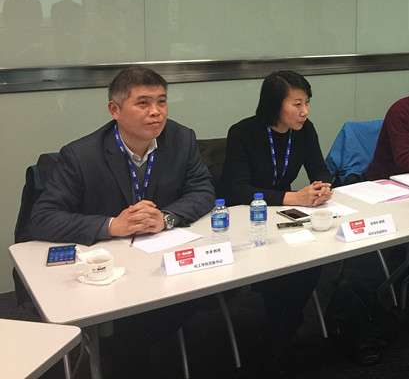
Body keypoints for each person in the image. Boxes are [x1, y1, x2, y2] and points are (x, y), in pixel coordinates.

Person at [28, 66, 215, 377]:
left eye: (162, 101)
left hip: (161, 261)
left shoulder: (181, 139)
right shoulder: (81, 155)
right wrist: (111, 225)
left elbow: (203, 190)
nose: (156, 112)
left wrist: (166, 217)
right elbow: (43, 218)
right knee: (127, 336)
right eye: (143, 103)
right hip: (111, 272)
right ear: (114, 110)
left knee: (195, 297)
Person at [222, 70, 332, 362]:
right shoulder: (243, 132)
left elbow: (320, 170)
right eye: (297, 104)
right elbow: (237, 191)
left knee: (312, 259)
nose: (305, 111)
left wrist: (323, 187)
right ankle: (280, 331)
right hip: (248, 217)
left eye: (307, 102)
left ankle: (284, 327)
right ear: (274, 104)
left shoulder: (305, 130)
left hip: (285, 213)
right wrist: (295, 197)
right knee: (277, 265)